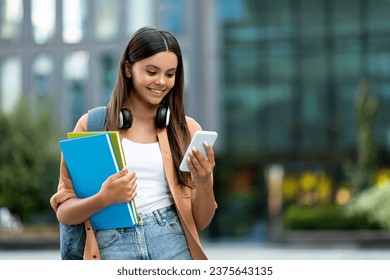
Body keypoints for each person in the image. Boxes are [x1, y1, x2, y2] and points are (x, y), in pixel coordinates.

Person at [50, 26, 217, 260]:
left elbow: (201, 221)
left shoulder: (186, 130)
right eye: (151, 72)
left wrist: (204, 181)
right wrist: (103, 198)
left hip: (171, 243)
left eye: (170, 74)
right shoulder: (92, 125)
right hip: (112, 246)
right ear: (128, 68)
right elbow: (65, 213)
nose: (161, 82)